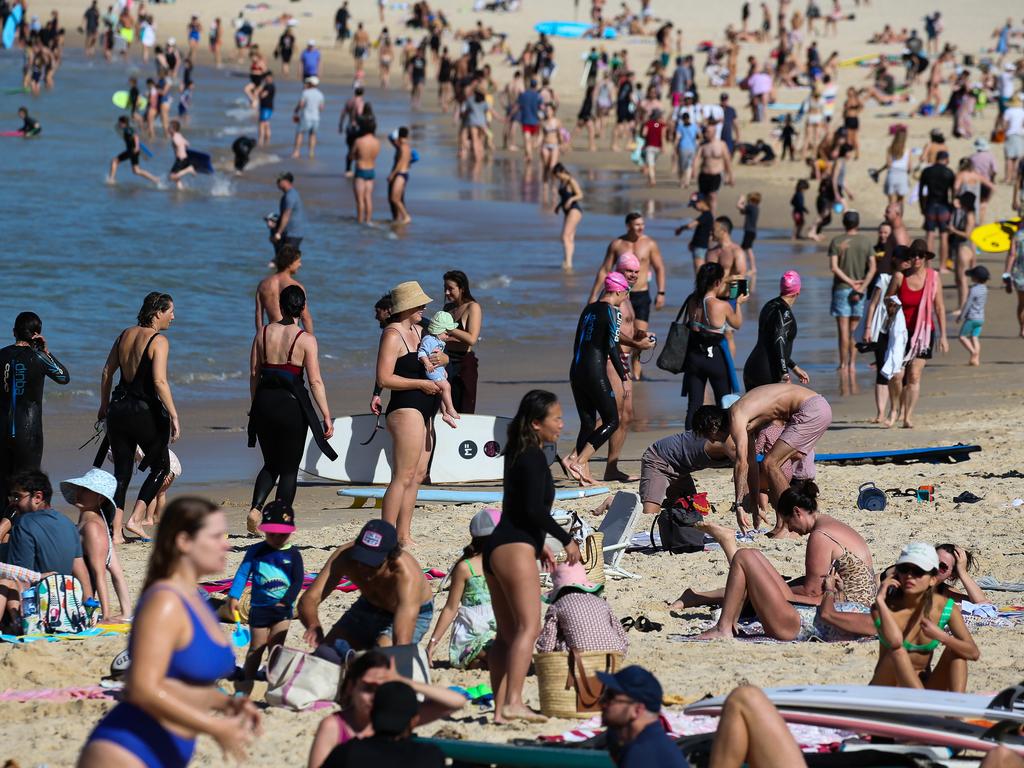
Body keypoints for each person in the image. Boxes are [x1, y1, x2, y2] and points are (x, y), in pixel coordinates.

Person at [79, 498, 261, 767]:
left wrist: (225, 704)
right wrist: (214, 726)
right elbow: (142, 688)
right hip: (127, 751)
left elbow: (180, 686)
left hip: (168, 753)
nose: (226, 544)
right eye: (215, 536)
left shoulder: (196, 601)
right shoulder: (164, 601)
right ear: (184, 541)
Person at [483, 390, 581, 723]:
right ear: (537, 423)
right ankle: (512, 701)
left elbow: (517, 507)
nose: (561, 424)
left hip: (497, 546)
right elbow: (532, 509)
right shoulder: (535, 456)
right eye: (557, 418)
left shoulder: (517, 452)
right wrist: (565, 538)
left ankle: (500, 709)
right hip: (514, 547)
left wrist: (538, 543)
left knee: (506, 633)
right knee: (529, 627)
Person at [683, 481, 875, 641]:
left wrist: (775, 587)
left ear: (798, 512)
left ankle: (723, 626)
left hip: (826, 613)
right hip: (851, 605)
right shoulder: (833, 525)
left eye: (788, 522)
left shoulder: (821, 535)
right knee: (755, 562)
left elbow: (813, 591)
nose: (790, 529)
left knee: (747, 561)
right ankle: (707, 598)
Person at [247, 285, 334, 533]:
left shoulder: (262, 333)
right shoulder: (306, 339)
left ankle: (256, 508)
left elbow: (254, 374)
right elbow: (315, 381)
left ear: (280, 306)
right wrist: (326, 415)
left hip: (264, 403)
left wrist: (255, 406)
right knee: (288, 469)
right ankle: (277, 520)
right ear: (303, 307)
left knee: (270, 463)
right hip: (291, 408)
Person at [692, 384, 832, 534]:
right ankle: (784, 525)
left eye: (709, 437)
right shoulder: (747, 419)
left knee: (771, 463)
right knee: (770, 464)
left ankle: (788, 526)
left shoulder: (736, 414)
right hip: (815, 408)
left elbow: (741, 463)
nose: (713, 442)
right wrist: (754, 505)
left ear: (713, 426)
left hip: (810, 409)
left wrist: (738, 505)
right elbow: (751, 464)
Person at [97, 293, 179, 543]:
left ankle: (116, 532)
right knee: (162, 466)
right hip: (143, 411)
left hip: (118, 410)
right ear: (157, 313)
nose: (173, 317)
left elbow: (106, 372)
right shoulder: (159, 340)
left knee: (122, 472)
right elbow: (159, 381)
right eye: (170, 311)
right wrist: (174, 414)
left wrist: (104, 405)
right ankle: (137, 517)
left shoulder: (124, 335)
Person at [299, 519, 434, 655]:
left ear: (390, 557)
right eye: (361, 559)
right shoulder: (345, 556)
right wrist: (313, 625)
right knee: (327, 654)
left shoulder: (406, 575)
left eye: (372, 563)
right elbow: (310, 598)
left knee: (379, 660)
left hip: (414, 613)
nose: (364, 568)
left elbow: (401, 643)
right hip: (369, 605)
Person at [307, 651, 465, 768]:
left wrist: (401, 680)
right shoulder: (334, 726)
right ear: (350, 687)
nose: (375, 696)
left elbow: (457, 702)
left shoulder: (394, 716)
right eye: (368, 688)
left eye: (382, 688)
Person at [373, 282, 440, 545]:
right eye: (420, 303)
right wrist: (421, 384)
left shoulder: (421, 328)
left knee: (418, 474)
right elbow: (384, 377)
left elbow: (444, 351)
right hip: (405, 408)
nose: (424, 307)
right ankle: (385, 535)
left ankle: (403, 534)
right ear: (406, 307)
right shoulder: (392, 334)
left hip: (426, 409)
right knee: (402, 475)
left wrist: (443, 360)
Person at [871, 542, 979, 691]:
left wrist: (943, 637)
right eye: (904, 569)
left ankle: (956, 708)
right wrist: (880, 602)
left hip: (924, 685)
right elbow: (896, 643)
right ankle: (925, 702)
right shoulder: (884, 606)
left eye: (918, 571)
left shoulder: (945, 606)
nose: (909, 576)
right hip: (887, 688)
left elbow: (973, 653)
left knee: (955, 650)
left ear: (933, 579)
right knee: (898, 653)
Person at [0, 470, 93, 621]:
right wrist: (89, 610)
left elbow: (19, 580)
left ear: (38, 497)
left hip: (37, 609)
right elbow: (82, 573)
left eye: (17, 496)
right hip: (63, 607)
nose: (13, 502)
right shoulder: (68, 523)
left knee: (5, 578)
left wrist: (18, 620)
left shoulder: (24, 524)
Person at [229, 500, 302, 687]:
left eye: (282, 534)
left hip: (283, 611)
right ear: (264, 530)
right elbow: (243, 573)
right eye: (272, 533)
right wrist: (234, 596)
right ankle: (247, 680)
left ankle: (274, 681)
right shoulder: (256, 551)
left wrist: (287, 601)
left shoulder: (294, 555)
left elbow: (297, 582)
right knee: (256, 648)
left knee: (277, 649)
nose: (277, 538)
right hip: (259, 609)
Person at [566, 274, 630, 485]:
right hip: (594, 371)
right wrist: (624, 376)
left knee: (587, 423)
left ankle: (583, 474)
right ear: (619, 291)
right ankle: (578, 460)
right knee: (612, 420)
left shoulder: (588, 309)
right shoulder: (614, 312)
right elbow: (612, 347)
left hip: (576, 370)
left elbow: (578, 342)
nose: (626, 297)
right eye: (626, 292)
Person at [0, 312, 69, 505]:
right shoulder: (39, 357)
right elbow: (64, 377)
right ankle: (13, 529)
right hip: (28, 433)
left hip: (2, 429)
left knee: (3, 485)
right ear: (38, 334)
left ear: (14, 332)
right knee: (27, 487)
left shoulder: (1, 355)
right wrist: (46, 352)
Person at [590, 213, 666, 380]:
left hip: (642, 294)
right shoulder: (617, 244)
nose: (641, 228)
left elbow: (659, 267)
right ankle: (620, 367)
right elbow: (605, 269)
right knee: (623, 331)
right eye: (637, 224)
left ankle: (636, 371)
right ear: (628, 226)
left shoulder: (649, 243)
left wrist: (661, 292)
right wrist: (593, 294)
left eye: (642, 224)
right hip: (621, 294)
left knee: (640, 333)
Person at [883, 240, 948, 429]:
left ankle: (907, 416)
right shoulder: (899, 277)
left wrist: (944, 335)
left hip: (924, 333)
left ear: (926, 257)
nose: (916, 258)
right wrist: (891, 306)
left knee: (914, 375)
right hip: (901, 333)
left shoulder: (933, 278)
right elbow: (887, 300)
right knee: (896, 375)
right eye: (913, 255)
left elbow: (940, 307)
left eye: (920, 255)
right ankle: (894, 409)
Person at [426, 507, 497, 669]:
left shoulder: (502, 564)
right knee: (502, 656)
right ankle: (476, 660)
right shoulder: (465, 567)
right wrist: (432, 644)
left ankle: (476, 663)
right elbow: (450, 608)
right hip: (473, 632)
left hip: (496, 631)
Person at [680, 263, 746, 430]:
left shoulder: (692, 300)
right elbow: (737, 324)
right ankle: (724, 440)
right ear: (717, 282)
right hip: (715, 356)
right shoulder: (720, 305)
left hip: (694, 356)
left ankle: (689, 442)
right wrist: (737, 302)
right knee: (724, 402)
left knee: (694, 404)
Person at [60, 468, 131, 623]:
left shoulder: (93, 527)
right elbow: (116, 571)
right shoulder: (92, 523)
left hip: (79, 599)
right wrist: (126, 613)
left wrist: (106, 615)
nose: (79, 492)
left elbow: (100, 573)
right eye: (81, 487)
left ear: (100, 498)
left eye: (86, 489)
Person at [320, 681, 445, 768]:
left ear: (372, 714)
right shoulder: (429, 757)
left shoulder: (346, 752)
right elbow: (456, 701)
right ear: (414, 720)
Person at [598, 666, 688, 768]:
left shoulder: (642, 755)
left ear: (637, 710)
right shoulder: (654, 742)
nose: (601, 703)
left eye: (610, 697)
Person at [536, 562, 627, 654]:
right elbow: (619, 632)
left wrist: (544, 653)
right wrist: (622, 650)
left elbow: (548, 640)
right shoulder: (602, 602)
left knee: (559, 635)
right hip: (614, 654)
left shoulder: (557, 606)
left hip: (578, 656)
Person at [743, 271, 808, 390]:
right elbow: (779, 343)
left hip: (751, 369)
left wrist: (794, 367)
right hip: (768, 373)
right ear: (797, 291)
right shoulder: (785, 314)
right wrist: (784, 373)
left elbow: (771, 344)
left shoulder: (769, 305)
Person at [828, 211, 876, 370]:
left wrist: (850, 282)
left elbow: (834, 268)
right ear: (858, 223)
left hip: (842, 288)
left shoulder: (836, 241)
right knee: (854, 330)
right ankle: (852, 364)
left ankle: (842, 363)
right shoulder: (866, 242)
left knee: (842, 330)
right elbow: (872, 268)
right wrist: (861, 287)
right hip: (860, 291)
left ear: (844, 223)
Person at [439, 271, 482, 415]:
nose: (446, 292)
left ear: (462, 288)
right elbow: (439, 335)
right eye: (445, 288)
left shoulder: (472, 307)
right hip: (446, 361)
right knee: (446, 409)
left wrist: (449, 329)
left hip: (465, 363)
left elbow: (471, 339)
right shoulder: (447, 309)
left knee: (465, 411)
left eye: (450, 288)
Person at [255, 244, 313, 331]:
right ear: (290, 263)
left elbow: (259, 314)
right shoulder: (297, 287)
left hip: (272, 333)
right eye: (298, 261)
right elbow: (305, 317)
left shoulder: (263, 284)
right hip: (291, 335)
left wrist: (261, 336)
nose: (300, 265)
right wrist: (310, 340)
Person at [418, 312, 460, 429]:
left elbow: (439, 359)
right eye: (446, 333)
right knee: (446, 387)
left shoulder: (439, 341)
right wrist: (426, 363)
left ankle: (445, 414)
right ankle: (450, 408)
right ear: (438, 330)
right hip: (431, 371)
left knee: (442, 391)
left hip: (437, 370)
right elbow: (421, 352)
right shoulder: (428, 340)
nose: (448, 336)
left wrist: (444, 370)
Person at [918, 151, 956, 272]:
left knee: (930, 235)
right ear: (946, 159)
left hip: (930, 205)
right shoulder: (949, 172)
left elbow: (920, 191)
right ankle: (942, 266)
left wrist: (922, 208)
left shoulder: (927, 171)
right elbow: (953, 193)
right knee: (944, 236)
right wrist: (952, 209)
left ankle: (927, 265)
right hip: (944, 205)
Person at [693, 123, 734, 214]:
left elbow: (727, 161)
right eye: (705, 131)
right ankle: (705, 218)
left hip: (716, 175)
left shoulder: (721, 144)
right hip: (704, 175)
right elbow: (697, 158)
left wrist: (730, 177)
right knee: (704, 198)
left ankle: (712, 217)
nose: (705, 133)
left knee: (713, 195)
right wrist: (693, 170)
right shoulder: (702, 145)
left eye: (708, 132)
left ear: (714, 132)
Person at [108, 115, 160, 186]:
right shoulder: (128, 128)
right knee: (136, 170)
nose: (119, 124)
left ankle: (111, 179)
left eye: (119, 123)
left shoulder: (127, 130)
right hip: (134, 151)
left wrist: (137, 147)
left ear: (123, 123)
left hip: (132, 151)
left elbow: (136, 136)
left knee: (114, 161)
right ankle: (155, 179)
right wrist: (137, 148)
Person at [954, 265, 989, 367]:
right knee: (974, 337)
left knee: (962, 336)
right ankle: (975, 360)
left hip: (972, 318)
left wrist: (961, 316)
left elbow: (967, 304)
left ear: (976, 278)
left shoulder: (973, 290)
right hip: (981, 318)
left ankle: (973, 352)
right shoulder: (985, 289)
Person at [351, 107, 381, 224]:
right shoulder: (376, 142)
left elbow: (352, 156)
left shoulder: (359, 141)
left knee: (360, 200)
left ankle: (359, 221)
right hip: (371, 170)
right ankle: (368, 220)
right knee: (368, 198)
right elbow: (375, 155)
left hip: (360, 170)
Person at [552, 163, 583, 271]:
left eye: (557, 175)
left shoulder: (571, 181)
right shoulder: (562, 182)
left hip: (574, 210)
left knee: (565, 237)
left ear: (561, 172)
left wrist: (571, 200)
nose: (556, 178)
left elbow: (580, 194)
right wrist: (559, 206)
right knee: (569, 238)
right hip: (567, 211)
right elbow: (565, 197)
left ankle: (568, 263)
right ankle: (567, 261)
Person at [269, 172, 306, 253]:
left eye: (279, 180)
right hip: (291, 233)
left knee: (287, 262)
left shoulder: (290, 196)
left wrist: (278, 233)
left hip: (293, 234)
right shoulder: (290, 194)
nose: (277, 182)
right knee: (283, 260)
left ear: (286, 181)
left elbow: (286, 215)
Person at [675, 193, 714, 269]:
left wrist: (681, 229)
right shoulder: (707, 215)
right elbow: (703, 233)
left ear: (701, 202)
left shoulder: (706, 215)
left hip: (700, 247)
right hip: (702, 246)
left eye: (694, 205)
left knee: (699, 273)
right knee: (702, 273)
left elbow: (690, 225)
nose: (694, 207)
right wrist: (693, 242)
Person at [293, 77, 324, 160]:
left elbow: (301, 104)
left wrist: (296, 110)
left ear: (310, 84)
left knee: (300, 133)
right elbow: (321, 108)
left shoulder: (305, 92)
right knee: (312, 135)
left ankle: (296, 151)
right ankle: (311, 152)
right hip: (316, 118)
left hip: (306, 116)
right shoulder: (320, 94)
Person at [386, 126, 413, 224]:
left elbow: (400, 162)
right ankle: (400, 218)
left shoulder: (402, 147)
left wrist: (392, 175)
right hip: (404, 174)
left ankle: (406, 216)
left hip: (400, 174)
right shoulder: (407, 146)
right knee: (397, 198)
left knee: (394, 198)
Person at [1004, 209, 1024, 339]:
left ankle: (1022, 328)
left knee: (1021, 303)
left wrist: (1007, 272)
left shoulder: (1017, 235)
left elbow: (1012, 255)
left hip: (1019, 274)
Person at [881, 127, 912, 205]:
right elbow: (909, 167)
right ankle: (899, 217)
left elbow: (889, 164)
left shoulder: (890, 149)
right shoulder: (907, 150)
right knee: (900, 202)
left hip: (892, 174)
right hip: (902, 175)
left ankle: (890, 216)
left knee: (891, 202)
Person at [737, 192, 761, 276]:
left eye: (748, 200)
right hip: (751, 231)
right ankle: (742, 266)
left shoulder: (751, 206)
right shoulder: (755, 208)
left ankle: (753, 268)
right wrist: (742, 203)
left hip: (749, 231)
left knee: (748, 249)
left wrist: (741, 200)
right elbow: (742, 211)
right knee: (742, 249)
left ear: (751, 200)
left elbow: (739, 206)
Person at [167, 120, 196, 190]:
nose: (168, 128)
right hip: (183, 159)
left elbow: (178, 143)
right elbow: (188, 143)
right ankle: (180, 188)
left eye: (169, 127)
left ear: (173, 129)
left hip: (180, 160)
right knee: (176, 178)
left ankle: (189, 169)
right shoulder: (179, 135)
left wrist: (177, 144)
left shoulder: (175, 138)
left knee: (171, 177)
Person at [256, 71, 274, 147]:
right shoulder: (270, 85)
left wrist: (260, 90)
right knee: (266, 124)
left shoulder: (269, 86)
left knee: (262, 124)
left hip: (266, 107)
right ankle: (266, 142)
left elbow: (263, 95)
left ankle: (261, 141)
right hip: (267, 107)